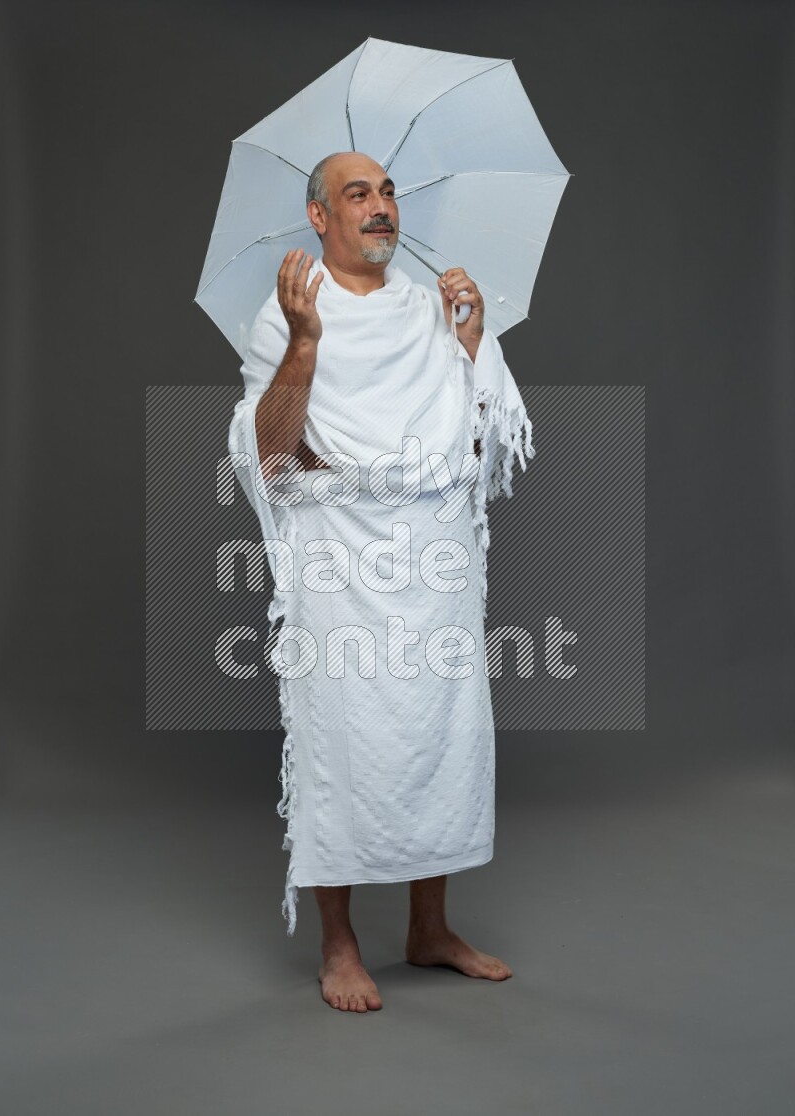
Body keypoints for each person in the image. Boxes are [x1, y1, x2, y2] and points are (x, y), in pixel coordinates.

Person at [228, 152, 534, 1012]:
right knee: (345, 739)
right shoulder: (286, 315)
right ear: (319, 217)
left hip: (434, 558)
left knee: (441, 732)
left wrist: (469, 350)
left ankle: (430, 929)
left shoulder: (433, 309)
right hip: (339, 557)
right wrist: (304, 343)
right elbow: (277, 459)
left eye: (388, 191)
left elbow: (472, 454)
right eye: (357, 193)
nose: (380, 206)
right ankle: (339, 942)